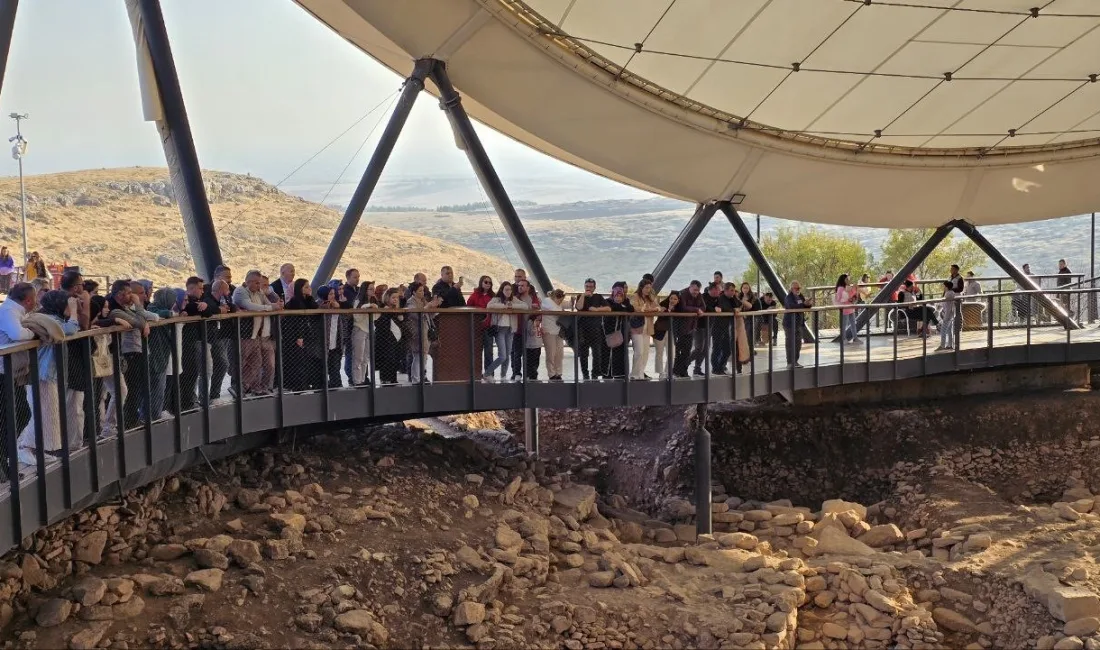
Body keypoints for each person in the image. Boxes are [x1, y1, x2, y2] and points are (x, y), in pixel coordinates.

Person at [15, 290, 81, 467]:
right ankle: (24, 446)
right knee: (42, 412)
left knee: (48, 412)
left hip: (47, 373)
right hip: (42, 373)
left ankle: (37, 449)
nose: (71, 307)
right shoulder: (47, 321)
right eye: (68, 303)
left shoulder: (51, 319)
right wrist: (74, 311)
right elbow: (71, 330)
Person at [233, 270, 281, 396]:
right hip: (244, 335)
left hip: (255, 336)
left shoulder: (259, 292)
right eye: (257, 283)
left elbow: (270, 304)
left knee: (256, 363)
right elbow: (249, 306)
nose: (259, 286)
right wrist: (269, 308)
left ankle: (246, 386)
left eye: (260, 283)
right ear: (248, 282)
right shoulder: (240, 291)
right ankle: (237, 387)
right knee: (241, 362)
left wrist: (273, 305)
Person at [404, 281, 440, 383]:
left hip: (426, 331)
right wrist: (427, 307)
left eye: (423, 290)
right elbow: (414, 315)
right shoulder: (411, 302)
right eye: (420, 291)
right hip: (417, 333)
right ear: (414, 292)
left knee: (423, 357)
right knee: (418, 356)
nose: (422, 293)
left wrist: (433, 307)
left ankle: (420, 377)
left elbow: (429, 315)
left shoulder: (423, 301)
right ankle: (416, 379)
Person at [575, 278, 610, 381]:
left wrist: (597, 309)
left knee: (597, 354)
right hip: (583, 329)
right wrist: (583, 296)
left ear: (594, 287)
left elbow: (608, 308)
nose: (588, 289)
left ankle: (595, 374)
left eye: (590, 287)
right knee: (583, 354)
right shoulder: (580, 296)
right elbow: (579, 307)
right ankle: (585, 374)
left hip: (596, 329)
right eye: (587, 286)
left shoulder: (598, 297)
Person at [485, 282, 517, 381]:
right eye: (506, 289)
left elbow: (525, 306)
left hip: (510, 330)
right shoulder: (496, 299)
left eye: (510, 289)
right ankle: (487, 373)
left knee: (507, 356)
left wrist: (512, 306)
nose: (508, 291)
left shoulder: (514, 299)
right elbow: (489, 306)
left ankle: (503, 376)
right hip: (500, 330)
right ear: (502, 290)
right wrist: (505, 306)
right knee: (502, 356)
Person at [373, 288, 405, 385]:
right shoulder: (383, 309)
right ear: (387, 298)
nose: (395, 300)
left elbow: (401, 321)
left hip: (396, 339)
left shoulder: (397, 310)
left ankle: (393, 378)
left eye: (397, 298)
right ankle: (385, 379)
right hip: (385, 340)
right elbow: (379, 323)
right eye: (393, 297)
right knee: (387, 359)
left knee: (395, 359)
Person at [674, 281, 705, 378]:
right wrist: (696, 310)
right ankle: (676, 370)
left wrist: (699, 310)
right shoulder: (682, 294)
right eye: (695, 290)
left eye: (698, 290)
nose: (696, 292)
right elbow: (683, 308)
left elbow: (703, 307)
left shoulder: (699, 295)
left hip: (691, 327)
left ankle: (683, 371)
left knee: (687, 351)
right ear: (690, 287)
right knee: (679, 351)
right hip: (680, 327)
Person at [316, 285, 345, 388]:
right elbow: (321, 308)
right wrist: (330, 305)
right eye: (330, 294)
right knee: (322, 367)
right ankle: (322, 385)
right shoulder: (319, 304)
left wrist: (338, 306)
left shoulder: (337, 305)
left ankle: (336, 385)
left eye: (333, 293)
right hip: (323, 342)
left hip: (335, 341)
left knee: (335, 367)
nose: (333, 296)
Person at [630, 280, 660, 380]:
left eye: (650, 288)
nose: (648, 290)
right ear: (641, 287)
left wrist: (648, 310)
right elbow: (637, 309)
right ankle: (635, 374)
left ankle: (641, 373)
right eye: (646, 288)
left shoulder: (650, 298)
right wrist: (650, 310)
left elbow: (658, 308)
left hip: (647, 329)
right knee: (639, 352)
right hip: (637, 328)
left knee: (646, 352)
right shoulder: (635, 296)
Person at [466, 276, 495, 373]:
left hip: (488, 326)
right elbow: (468, 306)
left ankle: (489, 373)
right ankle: (476, 373)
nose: (488, 284)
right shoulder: (475, 295)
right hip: (476, 326)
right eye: (486, 282)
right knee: (476, 351)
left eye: (490, 283)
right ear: (481, 282)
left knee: (489, 351)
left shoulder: (493, 296)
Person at [604, 287, 634, 379]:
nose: (618, 297)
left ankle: (620, 374)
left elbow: (631, 309)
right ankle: (607, 374)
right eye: (617, 295)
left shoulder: (626, 303)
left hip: (622, 333)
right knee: (608, 354)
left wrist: (622, 305)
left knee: (620, 354)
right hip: (610, 332)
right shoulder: (608, 302)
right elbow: (615, 308)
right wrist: (621, 306)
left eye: (620, 295)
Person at [350, 281, 375, 386]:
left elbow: (376, 317)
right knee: (358, 357)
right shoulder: (358, 301)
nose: (373, 291)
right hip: (360, 329)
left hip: (370, 329)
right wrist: (366, 307)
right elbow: (357, 317)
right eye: (370, 289)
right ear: (365, 290)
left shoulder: (374, 302)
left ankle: (363, 378)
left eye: (373, 289)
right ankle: (357, 380)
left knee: (366, 358)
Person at [782, 282, 812, 367]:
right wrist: (803, 304)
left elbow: (804, 305)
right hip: (789, 324)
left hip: (798, 323)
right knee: (790, 343)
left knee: (798, 343)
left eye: (799, 288)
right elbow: (791, 306)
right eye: (796, 288)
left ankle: (795, 361)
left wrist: (808, 304)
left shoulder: (800, 296)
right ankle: (790, 362)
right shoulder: (788, 297)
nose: (798, 290)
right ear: (792, 289)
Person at [541, 289, 567, 382]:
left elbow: (566, 306)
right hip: (549, 331)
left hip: (558, 331)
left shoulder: (559, 303)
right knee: (551, 353)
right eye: (560, 297)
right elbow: (556, 310)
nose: (561, 300)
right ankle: (552, 374)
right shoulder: (547, 301)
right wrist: (562, 307)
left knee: (560, 353)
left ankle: (558, 373)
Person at [653, 291, 679, 379]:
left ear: (678, 300)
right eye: (671, 298)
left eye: (675, 299)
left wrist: (672, 310)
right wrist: (669, 310)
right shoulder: (662, 305)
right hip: (660, 331)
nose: (672, 300)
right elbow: (661, 317)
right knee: (659, 352)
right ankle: (660, 372)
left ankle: (669, 371)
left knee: (671, 353)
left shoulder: (680, 309)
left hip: (672, 332)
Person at [835, 274, 860, 344]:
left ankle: (855, 338)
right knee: (844, 325)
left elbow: (849, 296)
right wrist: (853, 290)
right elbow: (841, 298)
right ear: (843, 280)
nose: (848, 280)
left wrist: (853, 295)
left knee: (853, 324)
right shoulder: (840, 288)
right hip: (844, 309)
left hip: (850, 307)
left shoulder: (846, 287)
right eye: (846, 279)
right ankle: (843, 339)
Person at [936, 280, 957, 352]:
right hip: (951, 314)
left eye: (944, 286)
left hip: (948, 315)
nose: (943, 287)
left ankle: (942, 345)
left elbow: (947, 306)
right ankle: (950, 345)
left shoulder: (948, 294)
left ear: (946, 286)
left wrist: (946, 316)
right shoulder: (951, 293)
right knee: (949, 330)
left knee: (943, 330)